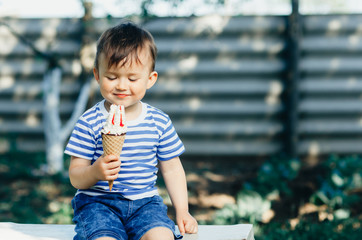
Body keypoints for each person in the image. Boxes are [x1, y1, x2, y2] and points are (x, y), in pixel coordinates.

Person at [64, 21, 198, 240]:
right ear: (97, 76)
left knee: (161, 237)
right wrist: (95, 172)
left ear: (150, 79)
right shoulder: (89, 121)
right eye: (112, 77)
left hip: (145, 203)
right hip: (97, 204)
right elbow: (75, 176)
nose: (122, 86)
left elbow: (172, 169)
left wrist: (182, 210)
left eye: (133, 78)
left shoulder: (159, 122)